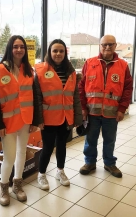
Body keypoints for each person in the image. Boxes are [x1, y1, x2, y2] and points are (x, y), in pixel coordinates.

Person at [78, 35, 133, 178]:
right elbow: (81, 87)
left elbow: (128, 89)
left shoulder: (123, 65)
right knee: (90, 139)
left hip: (112, 112)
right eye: (104, 45)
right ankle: (89, 162)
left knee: (110, 140)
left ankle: (109, 163)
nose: (107, 47)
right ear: (100, 46)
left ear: (115, 46)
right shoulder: (89, 63)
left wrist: (122, 109)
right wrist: (83, 108)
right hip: (92, 112)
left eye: (110, 44)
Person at [0, 35, 40, 206]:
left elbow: (34, 97)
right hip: (7, 122)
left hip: (26, 119)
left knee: (22, 153)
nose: (19, 49)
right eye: (15, 46)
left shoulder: (29, 71)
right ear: (10, 48)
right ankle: (4, 188)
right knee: (9, 156)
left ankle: (17, 184)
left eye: (22, 47)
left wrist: (35, 120)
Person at [34, 39, 82, 190]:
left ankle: (60, 171)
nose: (58, 53)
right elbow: (37, 96)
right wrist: (39, 119)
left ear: (65, 53)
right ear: (49, 52)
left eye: (61, 51)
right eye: (55, 51)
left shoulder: (71, 72)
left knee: (62, 146)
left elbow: (75, 96)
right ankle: (41, 174)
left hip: (66, 117)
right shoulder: (41, 71)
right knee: (48, 147)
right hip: (48, 118)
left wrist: (77, 117)